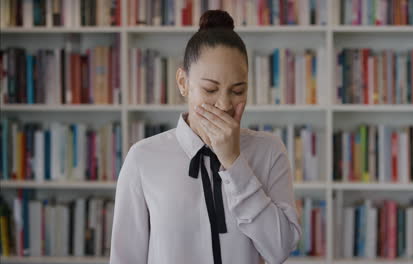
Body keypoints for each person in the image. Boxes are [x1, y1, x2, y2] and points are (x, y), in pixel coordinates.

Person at [110, 9, 301, 264]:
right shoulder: (142, 158)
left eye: (237, 90)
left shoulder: (269, 150)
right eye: (210, 89)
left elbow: (279, 250)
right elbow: (125, 258)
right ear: (183, 83)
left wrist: (234, 162)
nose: (223, 104)